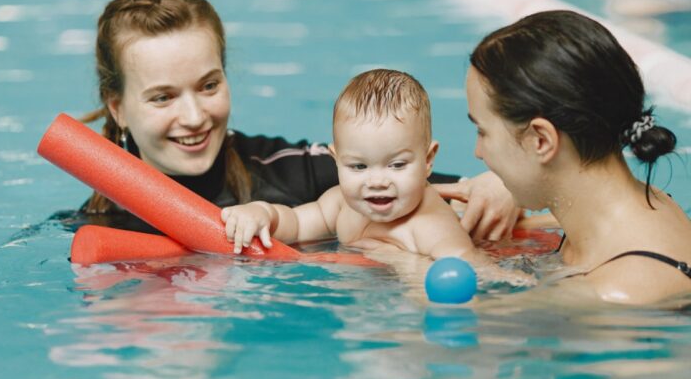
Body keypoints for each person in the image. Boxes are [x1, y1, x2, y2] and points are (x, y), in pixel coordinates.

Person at [77, 0, 521, 239]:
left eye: (209, 85)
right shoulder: (102, 222)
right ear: (117, 108)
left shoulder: (295, 173)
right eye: (163, 97)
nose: (194, 116)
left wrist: (500, 186)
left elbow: (432, 183)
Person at [220, 68, 533, 290]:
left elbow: (469, 267)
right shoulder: (342, 204)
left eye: (396, 165)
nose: (377, 181)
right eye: (358, 167)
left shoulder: (430, 224)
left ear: (428, 161)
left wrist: (507, 281)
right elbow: (296, 224)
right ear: (336, 160)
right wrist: (261, 212)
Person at [465, 9, 691, 304]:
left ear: (541, 140)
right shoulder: (650, 204)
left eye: (483, 131)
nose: (477, 151)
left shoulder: (612, 294)